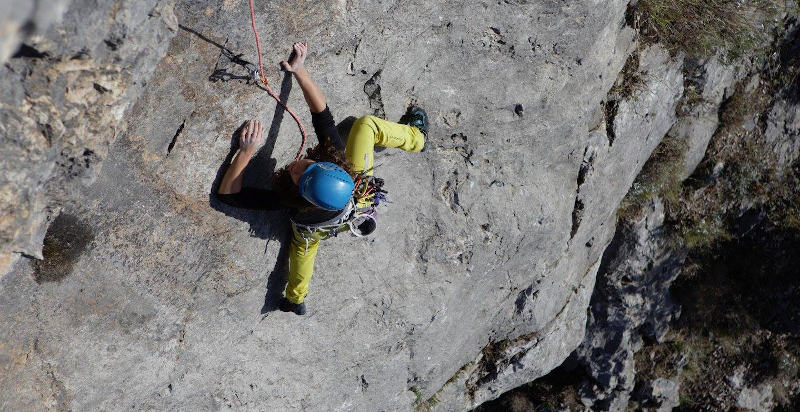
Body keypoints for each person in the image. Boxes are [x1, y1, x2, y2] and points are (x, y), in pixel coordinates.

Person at [216, 42, 428, 315]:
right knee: (366, 125)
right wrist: (300, 71)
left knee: (303, 248)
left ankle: (295, 299)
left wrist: (245, 154)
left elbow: (227, 195)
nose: (295, 166)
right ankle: (417, 138)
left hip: (327, 219)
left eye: (296, 175)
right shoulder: (335, 162)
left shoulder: (289, 202)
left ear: (299, 196)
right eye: (307, 166)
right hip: (357, 193)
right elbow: (322, 115)